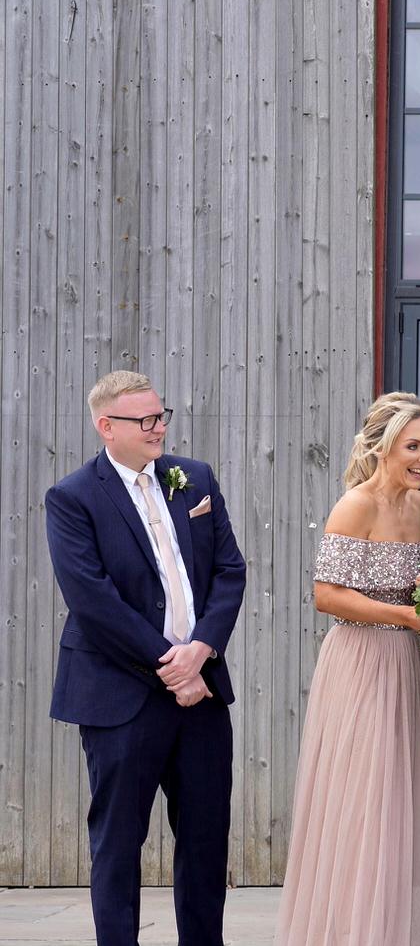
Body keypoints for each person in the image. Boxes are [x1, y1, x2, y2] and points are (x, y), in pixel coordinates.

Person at [44, 370, 247, 946]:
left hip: (202, 693)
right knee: (118, 839)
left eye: (162, 416)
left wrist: (201, 652)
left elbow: (230, 571)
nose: (159, 427)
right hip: (121, 697)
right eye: (145, 420)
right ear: (106, 427)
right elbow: (92, 598)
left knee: (207, 837)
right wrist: (171, 664)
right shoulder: (73, 497)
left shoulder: (194, 479)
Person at [276, 393, 420, 944]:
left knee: (395, 801)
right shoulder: (355, 504)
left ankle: (387, 928)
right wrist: (402, 614)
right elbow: (326, 596)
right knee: (361, 797)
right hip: (358, 661)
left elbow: (413, 586)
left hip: (402, 663)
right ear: (381, 447)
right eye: (413, 446)